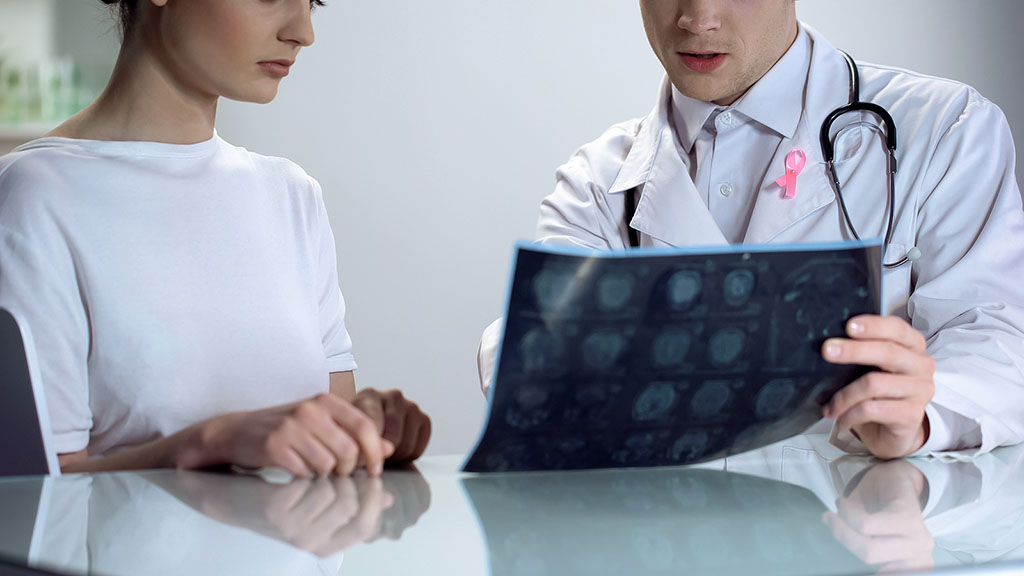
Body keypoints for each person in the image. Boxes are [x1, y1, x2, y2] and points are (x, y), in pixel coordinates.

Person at [478, 0, 1024, 460]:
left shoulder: (944, 129)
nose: (698, 17)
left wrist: (923, 413)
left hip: (867, 537)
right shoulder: (599, 183)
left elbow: (998, 339)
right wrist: (525, 354)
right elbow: (538, 366)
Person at [0, 0, 431, 478]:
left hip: (312, 551)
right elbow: (30, 498)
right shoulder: (36, 195)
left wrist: (373, 430)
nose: (303, 32)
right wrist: (207, 442)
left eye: (312, 3)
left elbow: (335, 450)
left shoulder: (290, 195)